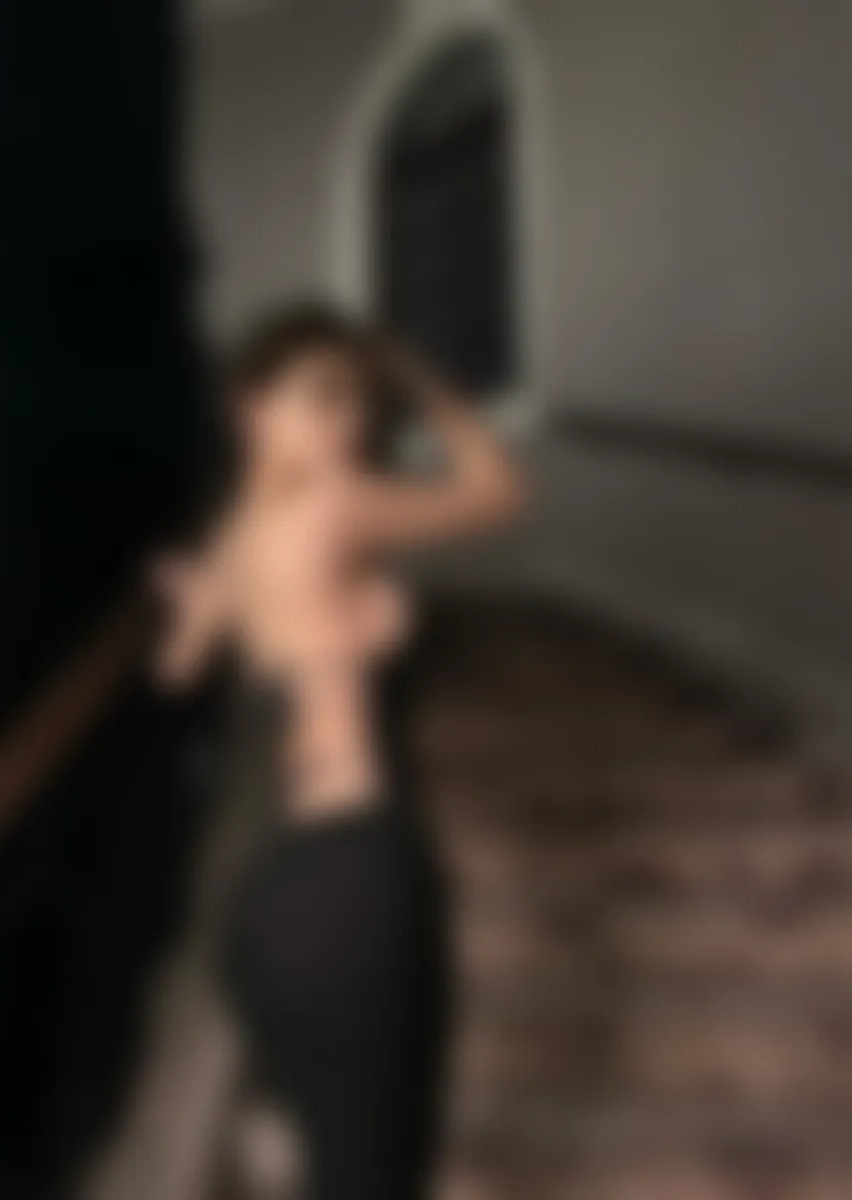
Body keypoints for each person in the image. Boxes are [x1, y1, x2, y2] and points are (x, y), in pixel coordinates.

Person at [150, 303, 525, 1199]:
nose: (348, 421)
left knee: (338, 1165)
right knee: (379, 1170)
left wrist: (198, 609)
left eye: (359, 399)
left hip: (264, 902)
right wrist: (425, 384)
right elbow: (500, 491)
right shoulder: (337, 503)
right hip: (355, 878)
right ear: (251, 410)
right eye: (320, 396)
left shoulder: (232, 539)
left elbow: (176, 673)